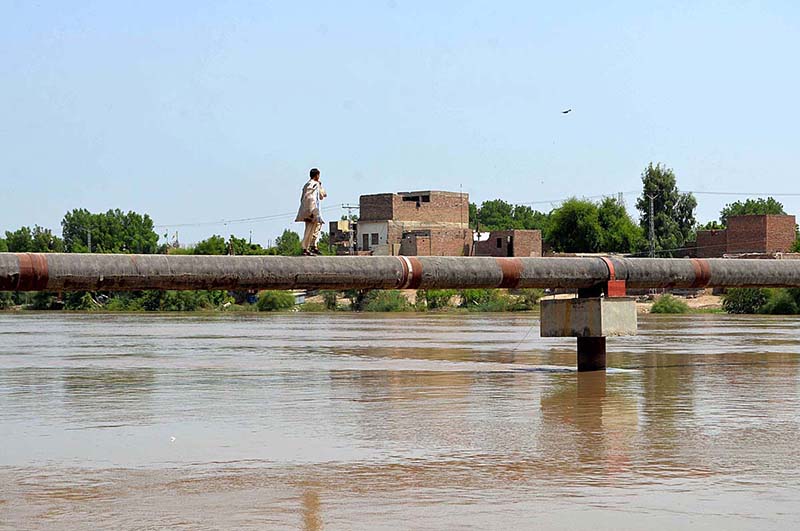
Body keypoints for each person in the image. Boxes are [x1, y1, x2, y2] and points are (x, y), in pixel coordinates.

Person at [295, 167, 327, 255]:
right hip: (312, 210)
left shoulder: (312, 184)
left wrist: (320, 186)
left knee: (317, 226)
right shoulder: (312, 184)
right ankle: (305, 248)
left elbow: (321, 196)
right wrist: (311, 212)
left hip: (313, 210)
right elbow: (309, 198)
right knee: (309, 229)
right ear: (316, 175)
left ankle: (313, 245)